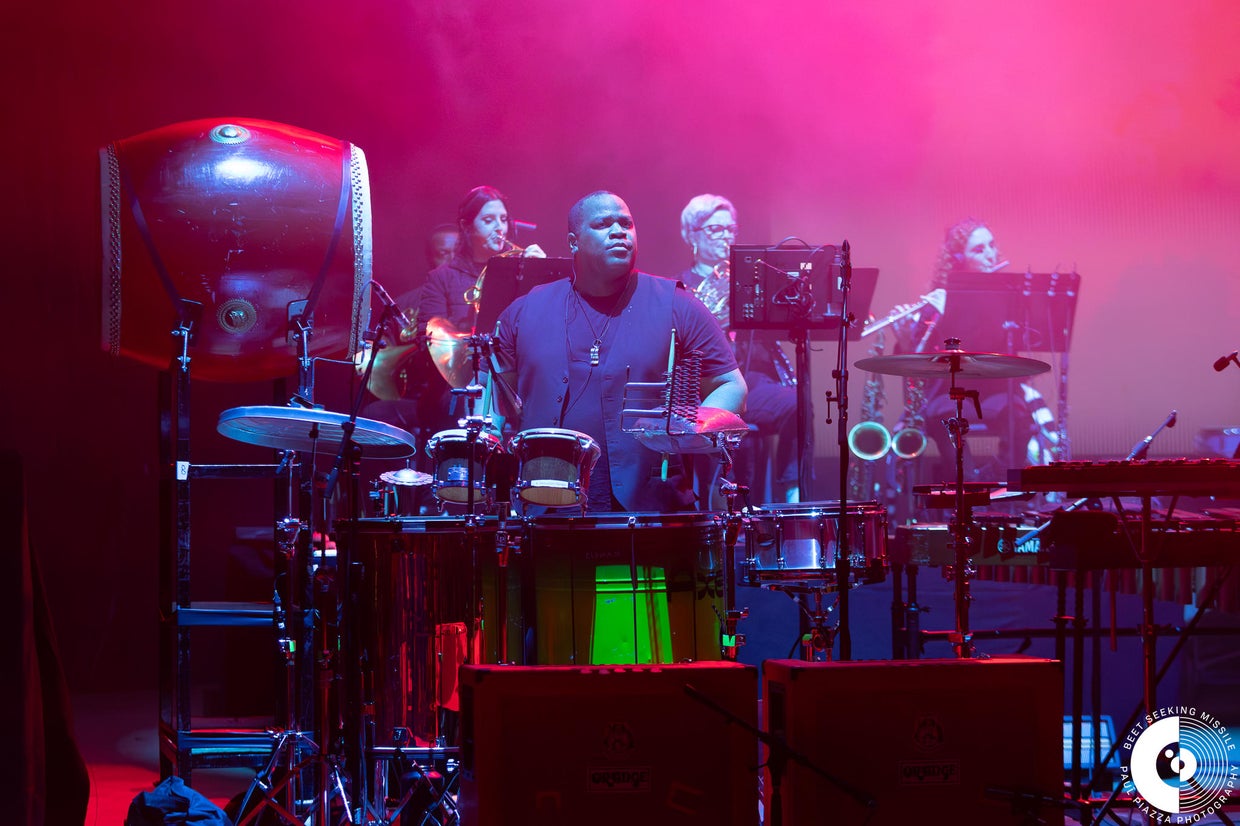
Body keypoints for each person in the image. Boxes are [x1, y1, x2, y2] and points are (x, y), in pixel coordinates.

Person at [490, 191, 746, 513]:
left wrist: (687, 430)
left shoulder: (676, 304)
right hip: (547, 505)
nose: (618, 231)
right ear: (573, 241)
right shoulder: (525, 310)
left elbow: (731, 384)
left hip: (650, 509)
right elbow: (496, 400)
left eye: (626, 223)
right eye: (603, 224)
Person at [892, 217, 1060, 482]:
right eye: (979, 250)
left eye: (991, 246)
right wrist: (904, 338)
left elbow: (1006, 342)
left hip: (996, 388)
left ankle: (995, 478)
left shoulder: (1009, 296)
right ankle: (967, 486)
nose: (991, 255)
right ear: (960, 258)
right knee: (946, 420)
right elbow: (919, 362)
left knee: (1020, 420)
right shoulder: (941, 297)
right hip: (950, 391)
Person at [676, 194, 803, 503]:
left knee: (797, 402)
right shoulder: (679, 287)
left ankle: (792, 491)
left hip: (754, 378)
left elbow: (784, 327)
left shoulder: (751, 279)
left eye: (730, 229)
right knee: (727, 422)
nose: (725, 236)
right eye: (714, 230)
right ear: (692, 235)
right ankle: (720, 507)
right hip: (705, 384)